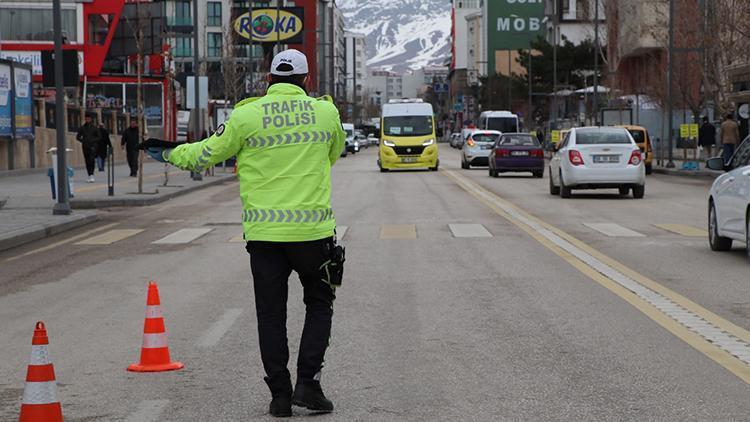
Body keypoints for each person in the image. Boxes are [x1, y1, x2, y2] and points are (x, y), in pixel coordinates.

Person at [142, 49, 346, 418]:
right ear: (307, 80)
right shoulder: (326, 112)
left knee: (270, 314)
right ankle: (309, 385)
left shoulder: (246, 115)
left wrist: (169, 154)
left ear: (267, 80)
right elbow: (333, 155)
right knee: (319, 305)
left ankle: (280, 396)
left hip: (265, 236)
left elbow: (207, 153)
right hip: (312, 234)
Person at [76, 115, 101, 183]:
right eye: (86, 119)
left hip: (93, 147)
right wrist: (83, 141)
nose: (87, 120)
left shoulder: (95, 128)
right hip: (85, 146)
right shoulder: (82, 128)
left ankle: (92, 174)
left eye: (89, 119)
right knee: (87, 161)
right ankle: (89, 175)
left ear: (91, 119)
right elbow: (78, 137)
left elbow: (99, 137)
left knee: (91, 160)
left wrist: (93, 141)